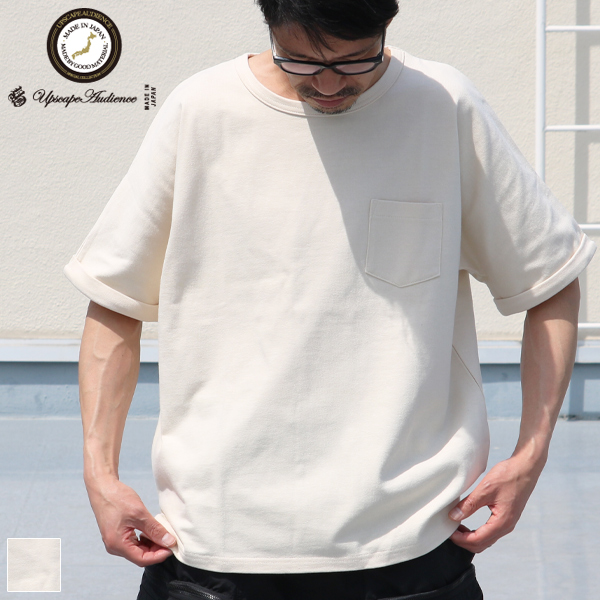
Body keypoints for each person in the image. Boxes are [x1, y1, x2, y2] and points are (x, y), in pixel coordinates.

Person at [64, 1, 596, 598]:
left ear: (387, 24)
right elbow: (115, 299)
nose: (326, 83)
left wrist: (532, 453)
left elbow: (550, 277)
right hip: (215, 544)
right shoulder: (201, 111)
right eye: (300, 60)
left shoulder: (443, 105)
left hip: (409, 545)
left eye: (353, 61)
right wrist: (99, 474)